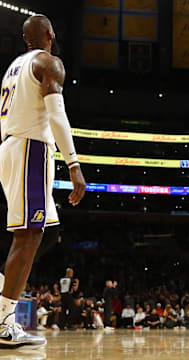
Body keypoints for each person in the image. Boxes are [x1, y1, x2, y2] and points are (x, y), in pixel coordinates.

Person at [0, 14, 86, 348]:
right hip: (30, 149)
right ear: (51, 34)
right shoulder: (49, 63)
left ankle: (4, 297)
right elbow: (56, 114)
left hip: (12, 147)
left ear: (26, 39)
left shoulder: (12, 68)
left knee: (45, 233)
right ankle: (4, 323)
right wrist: (74, 163)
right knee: (29, 235)